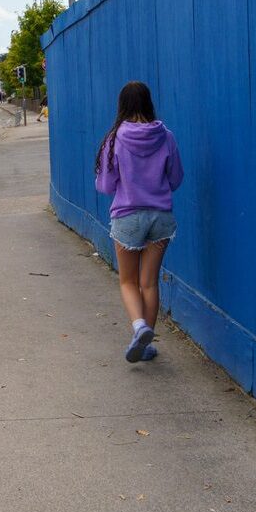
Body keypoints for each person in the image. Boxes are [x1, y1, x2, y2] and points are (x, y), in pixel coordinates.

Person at [93, 81, 183, 363]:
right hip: (161, 217)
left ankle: (139, 327)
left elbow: (106, 185)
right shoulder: (165, 135)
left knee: (128, 281)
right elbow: (176, 178)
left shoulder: (115, 138)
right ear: (148, 103)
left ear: (123, 105)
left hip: (128, 216)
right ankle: (145, 345)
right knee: (149, 283)